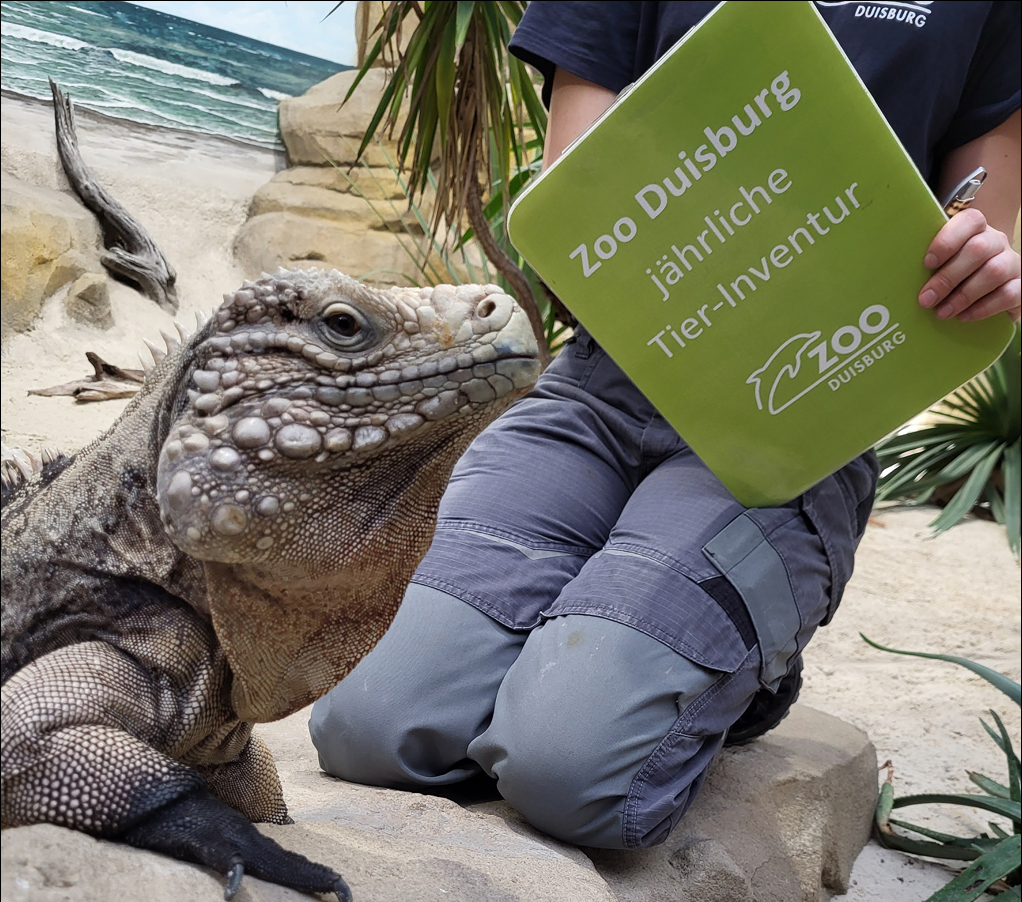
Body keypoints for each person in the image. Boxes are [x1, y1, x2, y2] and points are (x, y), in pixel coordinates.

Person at [310, 1, 1021, 850]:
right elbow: (577, 223)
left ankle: (724, 672)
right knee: (368, 728)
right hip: (597, 394)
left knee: (564, 773)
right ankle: (615, 643)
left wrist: (983, 266)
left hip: (791, 423)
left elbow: (978, 223)